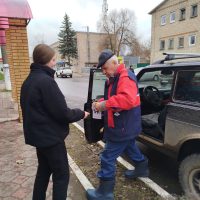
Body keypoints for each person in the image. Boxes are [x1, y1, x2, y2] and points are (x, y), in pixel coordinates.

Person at [20, 44, 89, 200]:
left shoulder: (29, 80)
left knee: (43, 172)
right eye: (53, 60)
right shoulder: (46, 82)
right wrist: (81, 113)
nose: (54, 63)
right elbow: (63, 113)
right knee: (62, 176)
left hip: (39, 138)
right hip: (51, 140)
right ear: (45, 61)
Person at [86, 49, 149, 200]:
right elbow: (115, 98)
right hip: (126, 126)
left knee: (107, 157)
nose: (104, 72)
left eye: (105, 68)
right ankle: (142, 167)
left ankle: (104, 193)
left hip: (122, 127)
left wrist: (105, 104)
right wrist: (101, 102)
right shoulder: (115, 78)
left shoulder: (125, 77)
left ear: (114, 63)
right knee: (130, 147)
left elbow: (126, 100)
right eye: (102, 70)